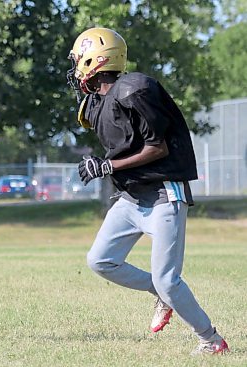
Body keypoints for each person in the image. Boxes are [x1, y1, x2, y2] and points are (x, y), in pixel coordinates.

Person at [66, 27, 229, 355]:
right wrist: (98, 163)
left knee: (169, 280)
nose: (76, 68)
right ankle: (160, 293)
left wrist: (109, 166)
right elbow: (122, 144)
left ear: (98, 60)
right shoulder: (95, 104)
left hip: (163, 195)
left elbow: (159, 147)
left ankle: (212, 340)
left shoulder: (134, 89)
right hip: (132, 197)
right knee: (100, 260)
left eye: (79, 60)